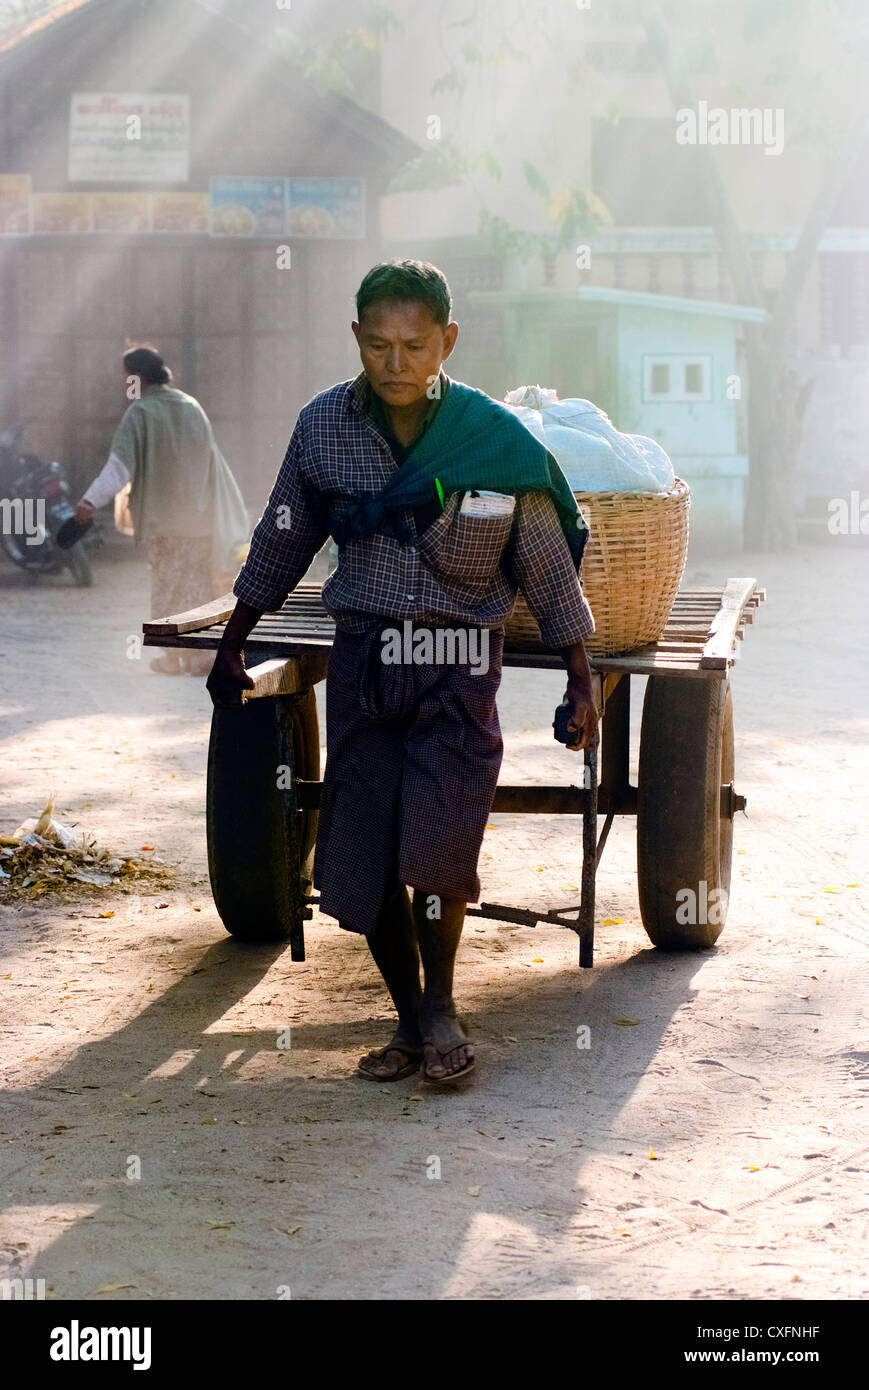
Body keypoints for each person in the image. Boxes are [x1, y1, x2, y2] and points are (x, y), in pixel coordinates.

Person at [206, 260, 598, 1084]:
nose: (395, 363)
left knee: (438, 840)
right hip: (365, 660)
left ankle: (441, 1006)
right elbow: (283, 537)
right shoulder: (322, 428)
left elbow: (543, 567)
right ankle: (407, 1016)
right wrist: (233, 641)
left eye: (413, 345)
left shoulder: (492, 441)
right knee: (362, 843)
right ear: (355, 339)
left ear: (446, 341)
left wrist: (578, 674)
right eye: (378, 345)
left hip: (458, 667)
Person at [74, 344, 249, 675]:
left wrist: (88, 502)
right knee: (197, 586)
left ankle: (171, 659)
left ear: (135, 377)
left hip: (163, 524)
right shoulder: (191, 406)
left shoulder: (140, 412)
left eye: (126, 376)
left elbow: (119, 468)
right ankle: (201, 657)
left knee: (167, 587)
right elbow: (214, 466)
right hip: (199, 521)